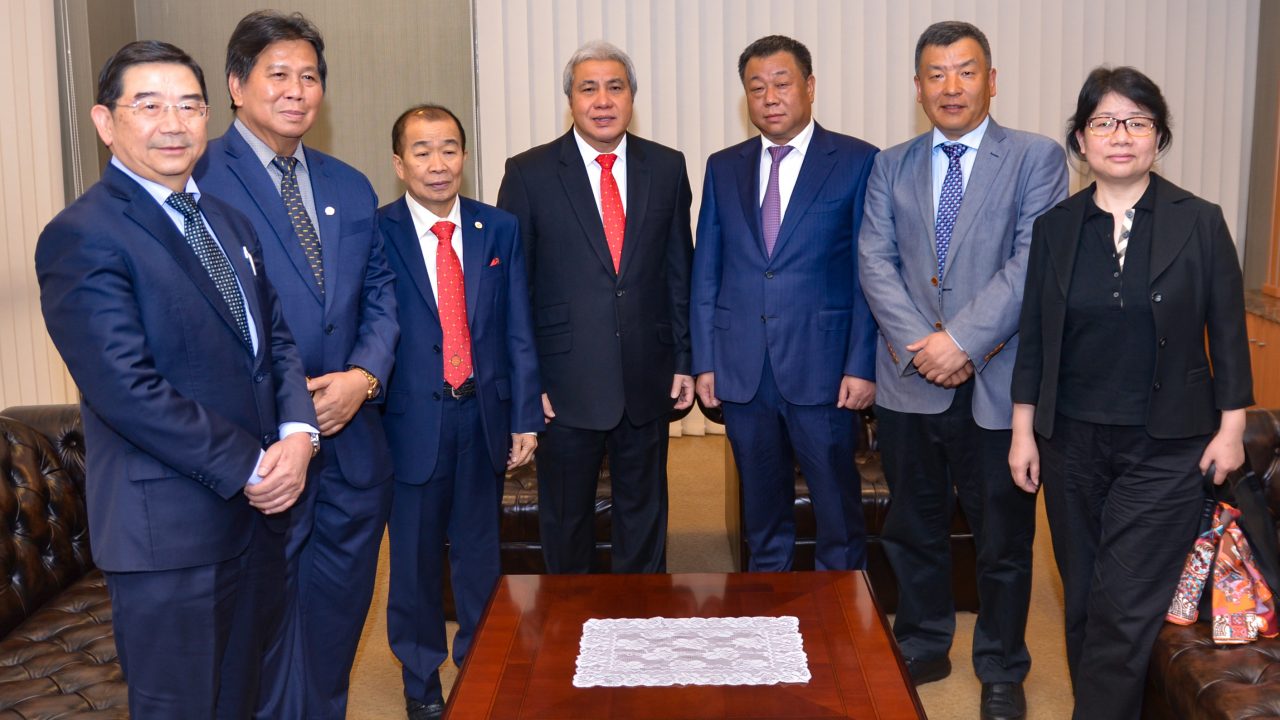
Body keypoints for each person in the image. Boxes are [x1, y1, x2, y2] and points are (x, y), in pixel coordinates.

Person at [35, 40, 318, 718]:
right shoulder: (82, 234)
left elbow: (273, 342)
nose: (173, 123)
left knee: (241, 700)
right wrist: (253, 465)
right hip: (169, 537)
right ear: (105, 122)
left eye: (190, 106)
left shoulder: (228, 220)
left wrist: (299, 434)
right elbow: (127, 389)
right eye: (149, 105)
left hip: (257, 521)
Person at [1010, 66, 1253, 720]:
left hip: (1167, 447)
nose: (1121, 135)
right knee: (1085, 602)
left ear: (1158, 137)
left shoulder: (1198, 221)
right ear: (1081, 140)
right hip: (1070, 444)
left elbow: (1228, 331)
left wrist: (1232, 428)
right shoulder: (1056, 227)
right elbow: (1035, 335)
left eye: (1137, 122)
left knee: (1122, 608)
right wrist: (1023, 431)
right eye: (1104, 122)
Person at [858, 20, 1068, 720]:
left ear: (991, 80)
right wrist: (925, 344)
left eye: (966, 70)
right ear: (918, 87)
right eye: (937, 73)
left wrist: (962, 343)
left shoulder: (1036, 158)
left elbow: (1032, 261)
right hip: (908, 379)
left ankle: (1002, 665)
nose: (952, 86)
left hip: (998, 383)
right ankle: (923, 641)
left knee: (1003, 539)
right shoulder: (890, 165)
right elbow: (875, 261)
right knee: (912, 526)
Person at [193, 11, 398, 718]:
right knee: (263, 636)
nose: (296, 90)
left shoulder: (349, 184)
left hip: (354, 444)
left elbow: (381, 297)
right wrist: (297, 407)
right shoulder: (199, 180)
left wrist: (363, 378)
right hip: (261, 451)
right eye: (278, 74)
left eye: (309, 76)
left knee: (338, 620)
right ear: (236, 85)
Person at [496, 40, 694, 574]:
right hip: (563, 383)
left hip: (648, 374)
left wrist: (684, 358)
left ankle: (641, 615)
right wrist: (527, 381)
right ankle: (570, 616)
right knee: (566, 520)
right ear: (571, 100)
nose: (602, 100)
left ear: (631, 97)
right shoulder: (529, 173)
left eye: (615, 87)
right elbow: (513, 289)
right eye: (589, 89)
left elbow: (680, 269)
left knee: (644, 516)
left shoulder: (667, 167)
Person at [378, 104, 541, 720]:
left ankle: (479, 667)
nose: (437, 163)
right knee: (414, 563)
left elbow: (517, 325)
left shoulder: (497, 228)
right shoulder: (377, 232)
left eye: (448, 148)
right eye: (421, 151)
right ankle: (421, 683)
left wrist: (525, 415)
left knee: (480, 556)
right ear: (399, 164)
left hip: (482, 415)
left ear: (464, 157)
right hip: (409, 423)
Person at [691, 34, 878, 572]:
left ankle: (840, 611)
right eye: (756, 88)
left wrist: (861, 364)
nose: (769, 97)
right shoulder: (723, 166)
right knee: (762, 515)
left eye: (781, 83)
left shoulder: (857, 161)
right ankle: (767, 609)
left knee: (837, 512)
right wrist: (705, 361)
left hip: (825, 369)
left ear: (810, 87)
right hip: (743, 368)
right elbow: (708, 269)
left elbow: (870, 273)